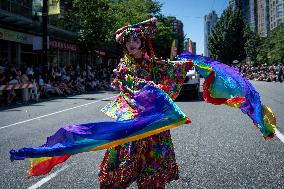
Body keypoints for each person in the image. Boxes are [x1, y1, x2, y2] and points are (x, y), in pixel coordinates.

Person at [99, 17, 190, 189]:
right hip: (131, 120)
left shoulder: (154, 65)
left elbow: (171, 69)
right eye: (128, 41)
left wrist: (186, 64)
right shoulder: (123, 67)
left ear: (142, 41)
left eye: (135, 39)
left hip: (153, 121)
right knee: (118, 171)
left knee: (152, 177)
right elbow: (129, 88)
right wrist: (149, 88)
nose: (131, 44)